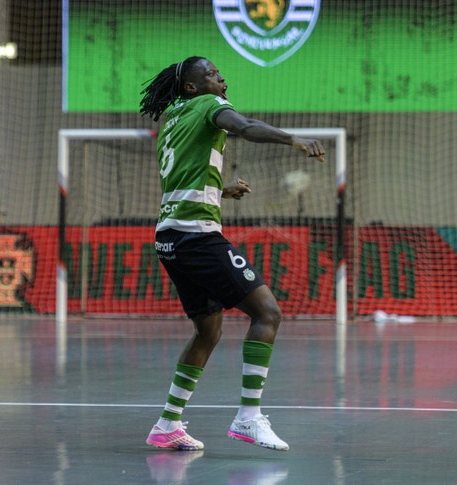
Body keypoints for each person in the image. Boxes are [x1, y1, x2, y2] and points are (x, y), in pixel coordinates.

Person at [139, 56, 325, 452]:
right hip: (197, 237)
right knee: (267, 313)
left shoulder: (171, 116)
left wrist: (219, 191)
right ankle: (248, 418)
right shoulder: (209, 105)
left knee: (208, 331)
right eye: (210, 74)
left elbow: (180, 176)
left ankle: (167, 423)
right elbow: (245, 127)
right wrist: (294, 139)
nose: (220, 78)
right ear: (192, 87)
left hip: (169, 238)